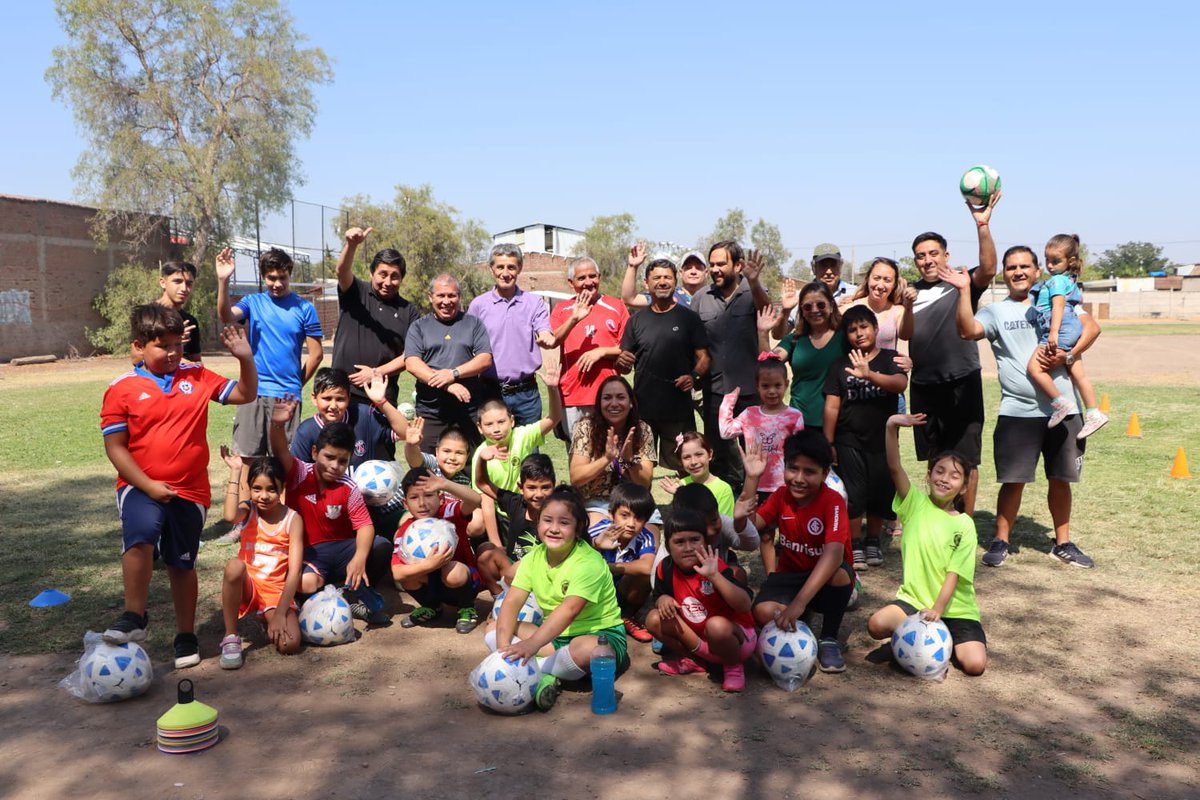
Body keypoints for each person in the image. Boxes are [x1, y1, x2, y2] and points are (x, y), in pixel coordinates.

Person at [100, 304, 257, 670]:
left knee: (181, 562)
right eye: (162, 346)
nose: (172, 353)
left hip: (191, 491)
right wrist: (148, 485)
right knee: (141, 535)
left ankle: (185, 635)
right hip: (139, 486)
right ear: (139, 347)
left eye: (177, 344)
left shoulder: (197, 375)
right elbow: (115, 447)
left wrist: (245, 357)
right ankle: (135, 615)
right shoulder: (121, 389)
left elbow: (246, 394)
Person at [944, 245, 1100, 568]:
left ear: (1037, 270)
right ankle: (1001, 540)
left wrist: (1068, 355)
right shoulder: (995, 311)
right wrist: (963, 292)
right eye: (1011, 267)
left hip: (1065, 409)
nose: (1018, 272)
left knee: (1061, 479)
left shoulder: (1059, 298)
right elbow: (966, 330)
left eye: (1025, 266)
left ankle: (1063, 543)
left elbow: (1093, 328)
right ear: (1004, 273)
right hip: (1017, 412)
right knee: (1013, 480)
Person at [897, 193, 1000, 516]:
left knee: (967, 459)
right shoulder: (910, 292)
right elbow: (902, 331)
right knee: (935, 459)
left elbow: (989, 267)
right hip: (925, 385)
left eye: (932, 253)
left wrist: (982, 225)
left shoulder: (961, 282)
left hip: (962, 382)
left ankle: (964, 525)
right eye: (920, 256)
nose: (927, 260)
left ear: (946, 254)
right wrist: (906, 303)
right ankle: (939, 520)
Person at [866, 414, 987, 676]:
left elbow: (954, 573)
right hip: (915, 602)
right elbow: (894, 466)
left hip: (955, 609)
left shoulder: (964, 525)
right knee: (876, 625)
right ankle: (911, 641)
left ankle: (939, 641)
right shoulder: (914, 504)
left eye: (954, 476)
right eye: (939, 471)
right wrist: (891, 426)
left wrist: (938, 611)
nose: (945, 479)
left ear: (964, 487)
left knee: (974, 665)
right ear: (929, 474)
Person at [491, 486, 627, 713]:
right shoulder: (533, 557)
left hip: (601, 638)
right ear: (538, 523)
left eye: (564, 522)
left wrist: (531, 645)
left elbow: (569, 610)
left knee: (588, 649)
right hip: (555, 639)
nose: (554, 529)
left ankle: (536, 671)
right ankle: (541, 674)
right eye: (547, 520)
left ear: (578, 527)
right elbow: (512, 601)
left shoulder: (588, 562)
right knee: (494, 628)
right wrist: (502, 652)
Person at [735, 430, 855, 674]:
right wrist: (752, 478)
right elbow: (750, 526)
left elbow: (833, 554)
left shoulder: (833, 501)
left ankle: (829, 639)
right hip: (789, 576)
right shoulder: (781, 495)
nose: (798, 478)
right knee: (761, 612)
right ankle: (800, 619)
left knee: (840, 574)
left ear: (825, 473)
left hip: (824, 576)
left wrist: (799, 603)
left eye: (809, 472)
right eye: (793, 468)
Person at [268, 397, 393, 620]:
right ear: (315, 452)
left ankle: (355, 595)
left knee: (381, 546)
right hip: (310, 553)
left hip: (343, 550)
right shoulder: (299, 473)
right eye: (329, 457)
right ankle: (323, 596)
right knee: (306, 584)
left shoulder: (349, 486)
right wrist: (277, 425)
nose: (335, 466)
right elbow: (280, 453)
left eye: (343, 461)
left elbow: (365, 526)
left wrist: (359, 558)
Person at [216, 246, 323, 463]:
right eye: (271, 278)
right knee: (247, 461)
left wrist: (296, 384)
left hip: (287, 396)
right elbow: (227, 316)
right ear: (264, 276)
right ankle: (245, 499)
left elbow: (316, 354)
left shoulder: (304, 308)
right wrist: (223, 281)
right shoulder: (253, 302)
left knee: (283, 464)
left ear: (289, 274)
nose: (277, 283)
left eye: (282, 277)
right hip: (252, 393)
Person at [823, 305, 908, 571]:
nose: (859, 334)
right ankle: (856, 544)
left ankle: (873, 540)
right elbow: (832, 406)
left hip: (883, 441)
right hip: (849, 441)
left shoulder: (890, 358)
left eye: (863, 327)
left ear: (875, 328)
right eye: (852, 329)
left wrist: (869, 373)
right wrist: (829, 442)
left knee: (880, 493)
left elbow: (900, 385)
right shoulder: (839, 365)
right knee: (855, 495)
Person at [689, 240, 772, 489]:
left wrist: (755, 282)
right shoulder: (701, 298)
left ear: (738, 266)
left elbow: (767, 310)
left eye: (721, 264)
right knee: (717, 453)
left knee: (754, 452)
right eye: (711, 264)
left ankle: (756, 508)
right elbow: (692, 341)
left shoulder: (753, 291)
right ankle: (722, 504)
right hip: (715, 391)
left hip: (750, 392)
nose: (714, 269)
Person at [646, 505, 757, 692]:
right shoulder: (665, 568)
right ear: (668, 546)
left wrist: (715, 577)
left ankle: (733, 668)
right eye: (679, 542)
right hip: (700, 640)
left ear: (706, 542)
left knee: (716, 626)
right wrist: (662, 598)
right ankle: (696, 661)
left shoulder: (715, 567)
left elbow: (745, 605)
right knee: (654, 619)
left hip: (737, 641)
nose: (688, 548)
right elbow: (658, 596)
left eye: (695, 540)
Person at [617, 255, 710, 473]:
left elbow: (705, 358)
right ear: (646, 283)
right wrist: (621, 361)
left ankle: (689, 506)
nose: (662, 282)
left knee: (687, 465)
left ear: (675, 282)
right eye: (657, 277)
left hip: (678, 409)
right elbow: (623, 366)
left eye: (667, 277)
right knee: (640, 467)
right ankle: (643, 507)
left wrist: (693, 377)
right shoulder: (636, 321)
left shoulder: (688, 318)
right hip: (643, 409)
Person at [216, 451, 303, 669]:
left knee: (289, 644)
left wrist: (282, 612)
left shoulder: (293, 519)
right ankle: (231, 636)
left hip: (274, 592)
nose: (263, 496)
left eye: (271, 489)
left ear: (282, 489)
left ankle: (268, 618)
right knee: (234, 566)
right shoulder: (248, 510)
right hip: (249, 586)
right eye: (257, 489)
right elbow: (229, 516)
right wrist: (235, 471)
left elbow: (294, 571)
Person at [1026, 234, 1108, 438]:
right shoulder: (1070, 280)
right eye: (1048, 260)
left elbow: (1058, 306)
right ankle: (1093, 413)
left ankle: (1059, 403)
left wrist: (1053, 332)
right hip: (1071, 329)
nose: (1050, 266)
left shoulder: (1057, 282)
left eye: (1056, 261)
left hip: (1059, 329)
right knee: (1079, 375)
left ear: (1070, 261)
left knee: (1034, 369)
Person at [468, 244, 557, 425]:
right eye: (500, 267)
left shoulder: (533, 303)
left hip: (526, 394)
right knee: (495, 450)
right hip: (489, 391)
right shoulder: (478, 305)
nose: (505, 273)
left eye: (511, 267)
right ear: (491, 268)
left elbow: (543, 328)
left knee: (529, 451)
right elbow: (468, 343)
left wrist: (546, 334)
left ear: (520, 269)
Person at [331, 226, 418, 408]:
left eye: (395, 276)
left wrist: (375, 373)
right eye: (382, 274)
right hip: (342, 393)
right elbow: (341, 271)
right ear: (372, 273)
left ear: (402, 278)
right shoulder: (355, 292)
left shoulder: (409, 311)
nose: (387, 282)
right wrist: (352, 245)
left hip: (382, 398)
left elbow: (411, 355)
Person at [391, 467, 485, 633]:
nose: (422, 503)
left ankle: (467, 609)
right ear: (405, 503)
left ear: (440, 498)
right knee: (408, 577)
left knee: (451, 571)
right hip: (434, 584)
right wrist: (430, 564)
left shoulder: (448, 513)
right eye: (414, 497)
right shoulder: (405, 531)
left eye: (428, 495)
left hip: (464, 581)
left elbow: (476, 500)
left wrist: (444, 483)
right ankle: (432, 607)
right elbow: (397, 573)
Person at [404, 274, 493, 450]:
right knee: (427, 467)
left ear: (459, 297)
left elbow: (485, 359)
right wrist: (447, 384)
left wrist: (453, 373)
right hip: (431, 412)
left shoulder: (473, 324)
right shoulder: (419, 326)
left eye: (451, 295)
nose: (446, 301)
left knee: (469, 466)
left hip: (468, 411)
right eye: (441, 295)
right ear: (430, 297)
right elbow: (412, 363)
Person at [550, 256, 628, 440]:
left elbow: (628, 347)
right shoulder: (562, 310)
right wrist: (574, 318)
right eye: (581, 278)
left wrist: (601, 352)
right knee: (577, 455)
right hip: (572, 395)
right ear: (571, 283)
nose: (588, 282)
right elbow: (553, 341)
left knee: (611, 453)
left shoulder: (616, 306)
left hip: (610, 396)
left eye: (592, 276)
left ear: (599, 277)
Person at [289, 367, 408, 472]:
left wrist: (381, 402)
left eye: (340, 399)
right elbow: (296, 474)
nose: (333, 405)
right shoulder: (306, 431)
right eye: (327, 398)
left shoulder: (364, 416)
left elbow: (406, 433)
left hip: (363, 496)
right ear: (314, 398)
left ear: (349, 398)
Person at [569, 375, 657, 510]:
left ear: (631, 402)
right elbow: (576, 477)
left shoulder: (642, 429)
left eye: (621, 397)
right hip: (594, 503)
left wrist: (629, 462)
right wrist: (606, 459)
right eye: (607, 398)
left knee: (651, 531)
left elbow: (644, 484)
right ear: (599, 403)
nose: (614, 403)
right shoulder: (586, 428)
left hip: (633, 503)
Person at [588, 482, 658, 643]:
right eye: (624, 515)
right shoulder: (599, 531)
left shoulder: (644, 536)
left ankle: (626, 616)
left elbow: (648, 567)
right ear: (611, 514)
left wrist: (611, 568)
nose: (631, 524)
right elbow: (576, 554)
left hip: (622, 593)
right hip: (597, 595)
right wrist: (596, 546)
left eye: (639, 518)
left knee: (645, 574)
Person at [473, 452, 556, 586]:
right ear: (521, 487)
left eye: (545, 487)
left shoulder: (559, 513)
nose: (539, 494)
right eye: (532, 487)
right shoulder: (515, 503)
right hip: (511, 572)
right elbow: (482, 483)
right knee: (485, 551)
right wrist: (482, 460)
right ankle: (499, 596)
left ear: (554, 486)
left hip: (543, 575)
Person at [773, 281, 848, 427]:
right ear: (801, 311)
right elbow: (769, 362)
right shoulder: (794, 339)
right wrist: (785, 311)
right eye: (807, 307)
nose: (814, 310)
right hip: (798, 423)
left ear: (832, 306)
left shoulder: (846, 337)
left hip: (837, 424)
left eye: (821, 305)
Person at [660, 431, 736, 517]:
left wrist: (685, 497)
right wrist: (679, 495)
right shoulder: (681, 485)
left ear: (710, 454)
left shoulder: (723, 489)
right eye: (686, 457)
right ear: (680, 461)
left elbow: (721, 525)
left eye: (699, 454)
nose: (693, 462)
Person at [621, 243, 706, 309]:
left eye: (698, 268)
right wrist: (632, 267)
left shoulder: (714, 297)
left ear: (706, 273)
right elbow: (630, 300)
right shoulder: (667, 294)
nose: (693, 272)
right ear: (680, 273)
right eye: (688, 268)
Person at [156, 261, 203, 362]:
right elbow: (137, 358)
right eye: (177, 282)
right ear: (163, 283)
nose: (184, 288)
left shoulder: (190, 321)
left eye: (189, 283)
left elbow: (196, 361)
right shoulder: (147, 315)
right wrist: (174, 341)